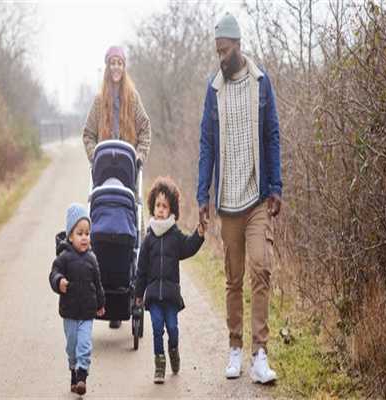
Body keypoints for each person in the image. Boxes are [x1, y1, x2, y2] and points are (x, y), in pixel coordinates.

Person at [197, 13, 282, 384]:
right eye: (217, 51)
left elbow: (273, 135)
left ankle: (260, 354)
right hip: (227, 202)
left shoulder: (261, 83)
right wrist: (203, 194)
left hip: (257, 197)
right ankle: (235, 348)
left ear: (238, 45)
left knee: (261, 268)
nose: (221, 57)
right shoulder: (213, 89)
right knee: (234, 279)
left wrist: (276, 187)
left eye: (225, 50)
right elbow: (206, 143)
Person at [83, 45, 151, 329]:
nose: (115, 68)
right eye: (112, 63)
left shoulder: (132, 99)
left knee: (134, 228)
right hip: (104, 177)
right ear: (106, 66)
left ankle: (130, 287)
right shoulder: (99, 101)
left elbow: (145, 130)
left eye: (119, 63)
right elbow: (87, 134)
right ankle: (106, 291)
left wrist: (139, 157)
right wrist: (94, 156)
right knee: (101, 227)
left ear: (124, 67)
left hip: (127, 174)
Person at [135, 177, 205, 384]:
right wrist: (138, 294)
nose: (160, 210)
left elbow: (188, 247)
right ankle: (159, 365)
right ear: (152, 207)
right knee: (157, 328)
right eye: (157, 205)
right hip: (154, 295)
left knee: (172, 328)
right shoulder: (148, 239)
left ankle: (173, 351)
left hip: (171, 295)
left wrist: (199, 235)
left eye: (164, 206)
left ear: (171, 209)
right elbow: (141, 270)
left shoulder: (175, 236)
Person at [49, 203, 106, 395]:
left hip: (87, 313)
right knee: (72, 346)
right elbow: (54, 274)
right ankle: (73, 370)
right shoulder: (63, 258)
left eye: (87, 233)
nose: (84, 237)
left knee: (84, 345)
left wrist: (101, 303)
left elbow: (98, 283)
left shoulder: (92, 259)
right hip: (70, 312)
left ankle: (82, 376)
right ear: (70, 236)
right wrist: (59, 281)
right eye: (80, 233)